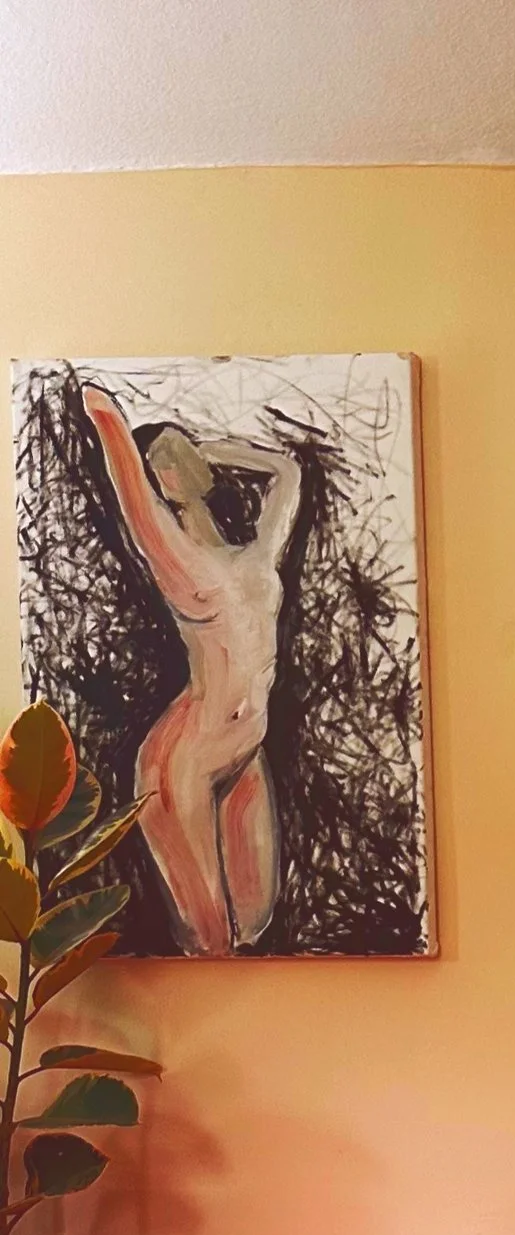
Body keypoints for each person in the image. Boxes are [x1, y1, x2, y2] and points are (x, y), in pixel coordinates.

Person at [81, 380, 299, 955]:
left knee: (252, 924)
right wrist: (106, 417)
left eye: (185, 446)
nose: (183, 455)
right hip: (186, 760)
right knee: (210, 941)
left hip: (245, 749)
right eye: (167, 456)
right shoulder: (175, 554)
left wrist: (214, 451)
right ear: (159, 483)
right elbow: (130, 487)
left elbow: (288, 475)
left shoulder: (250, 554)